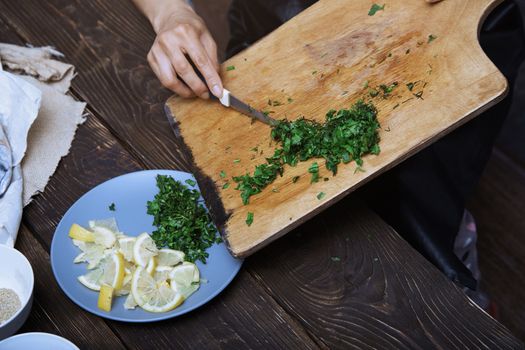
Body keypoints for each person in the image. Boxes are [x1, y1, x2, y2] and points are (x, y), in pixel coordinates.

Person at [132, 0, 525, 309]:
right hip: (273, 23)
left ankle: (460, 287)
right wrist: (170, 11)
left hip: (443, 31)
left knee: (425, 209)